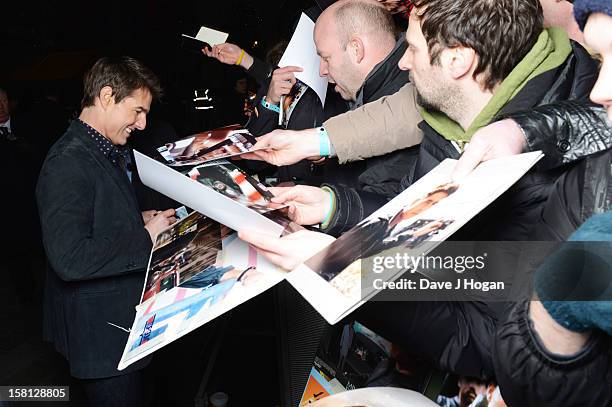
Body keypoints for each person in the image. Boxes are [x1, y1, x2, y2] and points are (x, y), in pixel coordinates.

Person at [36, 56, 176, 407]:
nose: (143, 124)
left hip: (119, 331)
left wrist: (136, 220)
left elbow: (96, 218)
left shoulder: (102, 149)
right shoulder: (67, 161)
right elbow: (70, 258)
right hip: (101, 341)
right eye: (138, 111)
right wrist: (144, 237)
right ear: (107, 96)